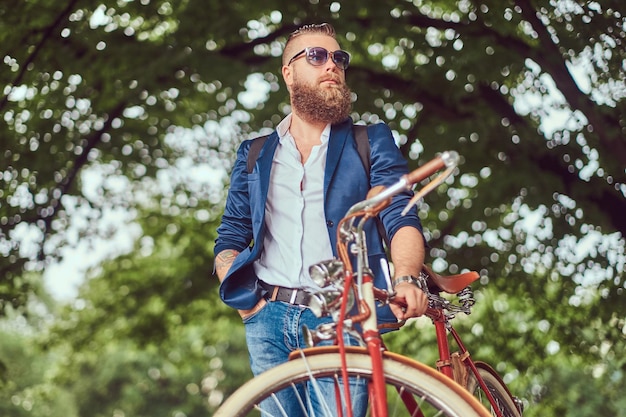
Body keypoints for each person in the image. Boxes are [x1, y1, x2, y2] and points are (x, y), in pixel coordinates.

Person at [214, 22, 428, 415]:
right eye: (316, 56)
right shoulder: (254, 154)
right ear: (288, 72)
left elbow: (400, 216)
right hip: (267, 320)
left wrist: (407, 277)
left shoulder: (370, 140)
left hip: (341, 317)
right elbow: (231, 235)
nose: (331, 65)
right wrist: (248, 305)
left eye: (338, 58)